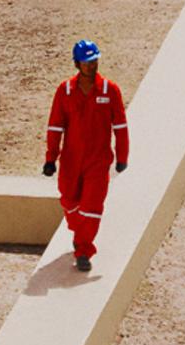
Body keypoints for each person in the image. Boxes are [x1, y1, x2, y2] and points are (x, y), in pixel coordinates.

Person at [44, 38, 129, 273]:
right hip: (71, 161)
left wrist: (122, 156)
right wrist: (51, 158)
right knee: (69, 201)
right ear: (77, 64)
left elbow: (120, 127)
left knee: (92, 206)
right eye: (87, 62)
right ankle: (79, 231)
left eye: (94, 61)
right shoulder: (65, 91)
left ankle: (83, 251)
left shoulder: (110, 91)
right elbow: (55, 126)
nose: (92, 66)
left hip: (98, 161)